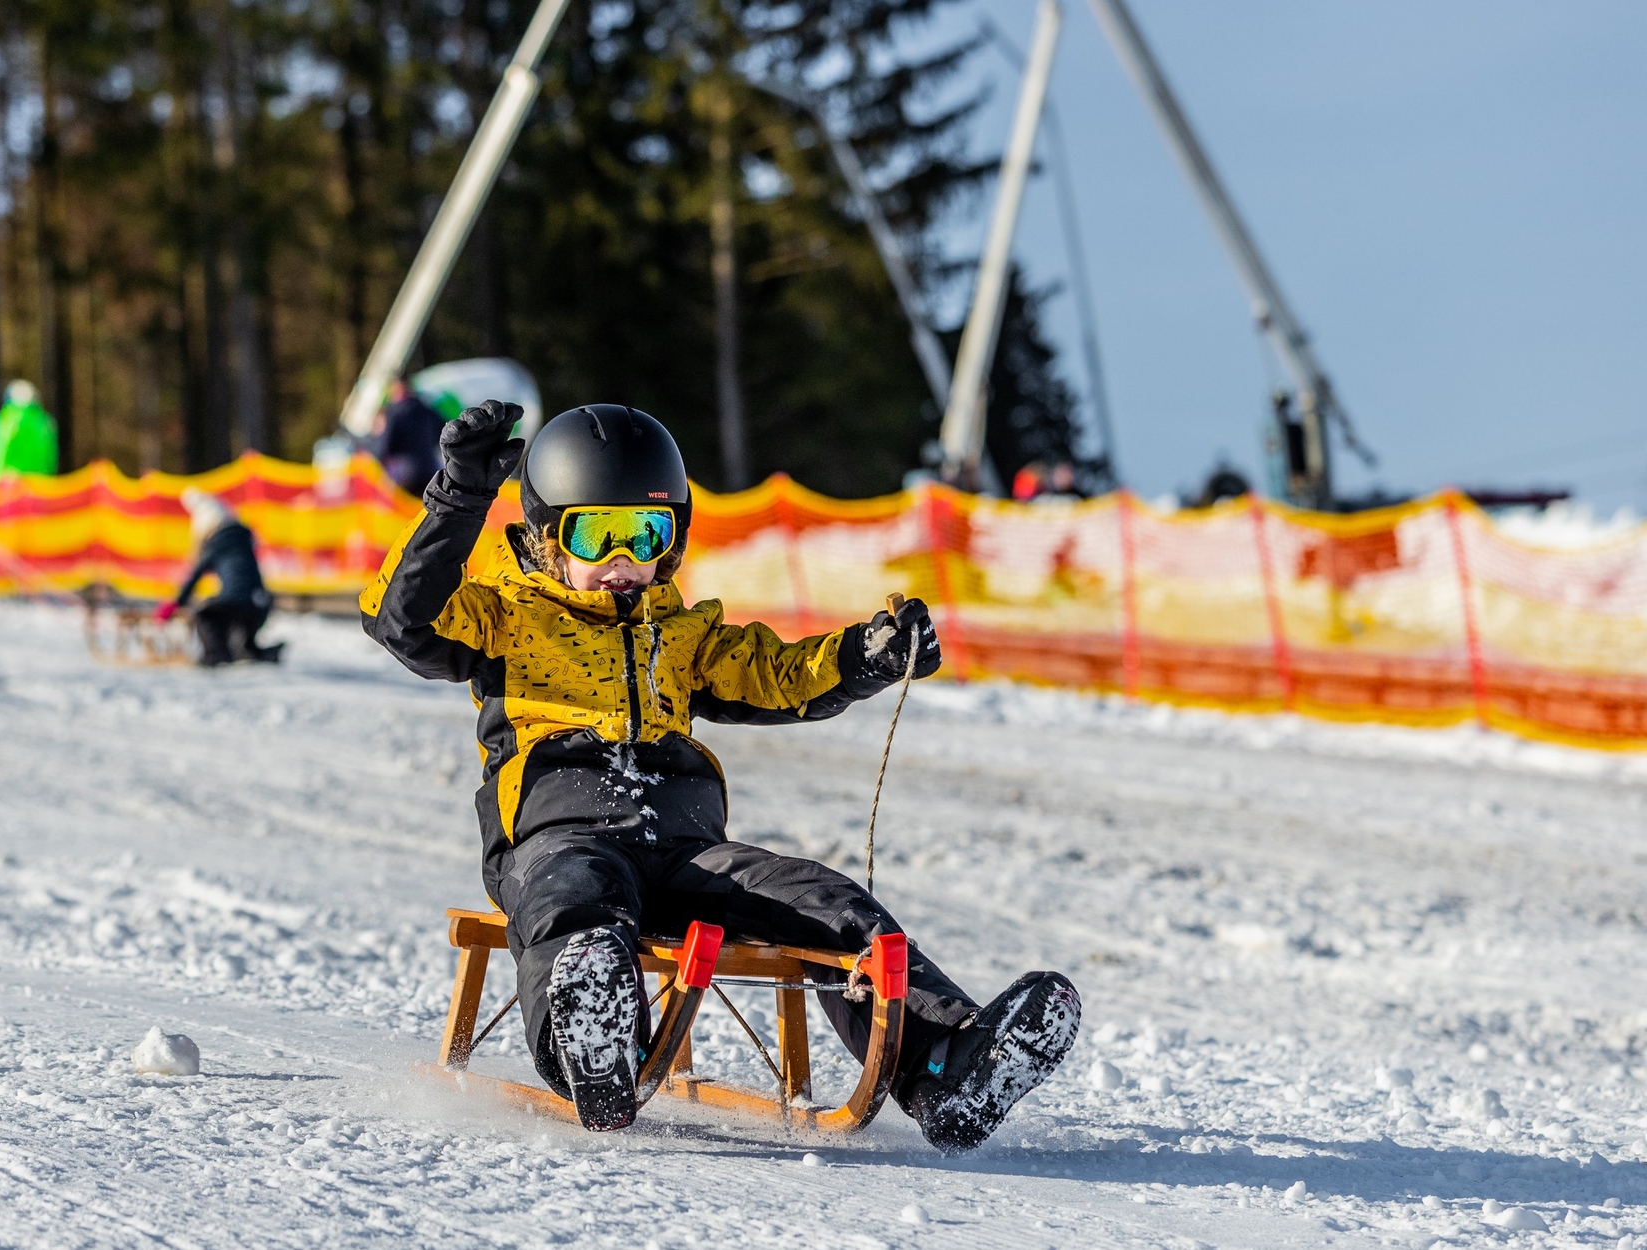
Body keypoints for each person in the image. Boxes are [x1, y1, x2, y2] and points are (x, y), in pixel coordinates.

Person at [359, 401, 1079, 1148]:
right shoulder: (504, 618)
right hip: (557, 838)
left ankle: (944, 1066)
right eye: (596, 535)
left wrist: (865, 657)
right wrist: (459, 499)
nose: (622, 560)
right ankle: (595, 1044)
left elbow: (777, 675)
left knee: (828, 902)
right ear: (547, 539)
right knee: (575, 905)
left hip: (684, 852)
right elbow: (399, 618)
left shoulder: (683, 635)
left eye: (646, 535)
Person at [157, 489, 283, 667]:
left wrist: (176, 603)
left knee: (206, 615)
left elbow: (194, 577)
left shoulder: (216, 543)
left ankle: (217, 654)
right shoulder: (245, 539)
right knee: (238, 624)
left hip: (233, 603)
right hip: (259, 604)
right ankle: (253, 650)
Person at [371, 380, 445, 496]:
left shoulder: (394, 414)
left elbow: (386, 446)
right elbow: (444, 431)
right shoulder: (427, 409)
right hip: (430, 468)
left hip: (406, 473)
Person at [0, 380, 58, 484]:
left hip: (12, 482)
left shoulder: (7, 418)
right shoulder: (45, 421)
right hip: (39, 481)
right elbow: (50, 457)